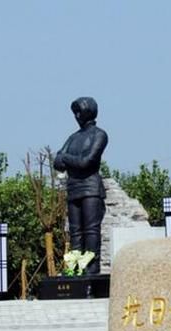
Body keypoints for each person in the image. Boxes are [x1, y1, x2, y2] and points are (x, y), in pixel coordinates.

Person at [54, 97, 108, 274]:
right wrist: (67, 159)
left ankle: (91, 267)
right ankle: (75, 267)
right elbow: (57, 162)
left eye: (79, 112)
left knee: (91, 229)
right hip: (74, 189)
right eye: (74, 112)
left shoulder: (99, 135)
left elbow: (87, 162)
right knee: (75, 231)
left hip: (91, 189)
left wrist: (66, 158)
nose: (76, 116)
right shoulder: (73, 137)